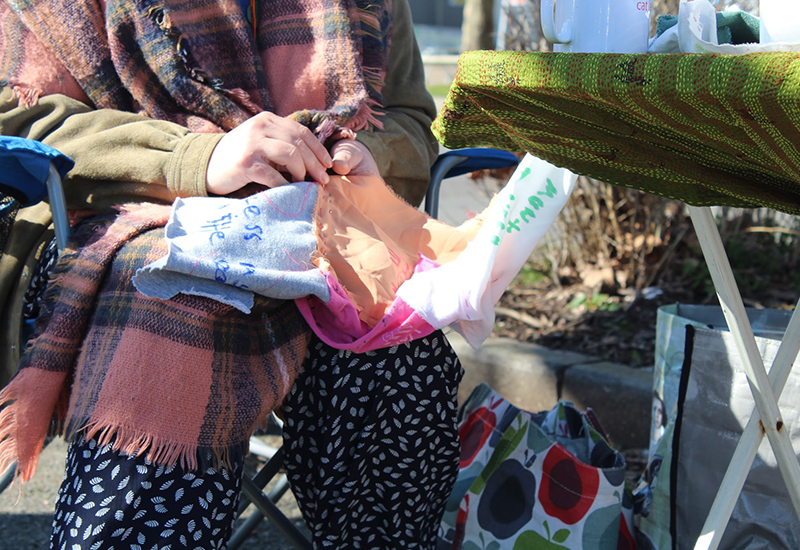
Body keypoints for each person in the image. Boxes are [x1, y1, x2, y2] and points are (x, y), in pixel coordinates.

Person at [0, 0, 464, 548]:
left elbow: (409, 122)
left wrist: (360, 154)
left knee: (393, 335)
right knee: (180, 302)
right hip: (120, 219)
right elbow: (22, 116)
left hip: (321, 224)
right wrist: (199, 158)